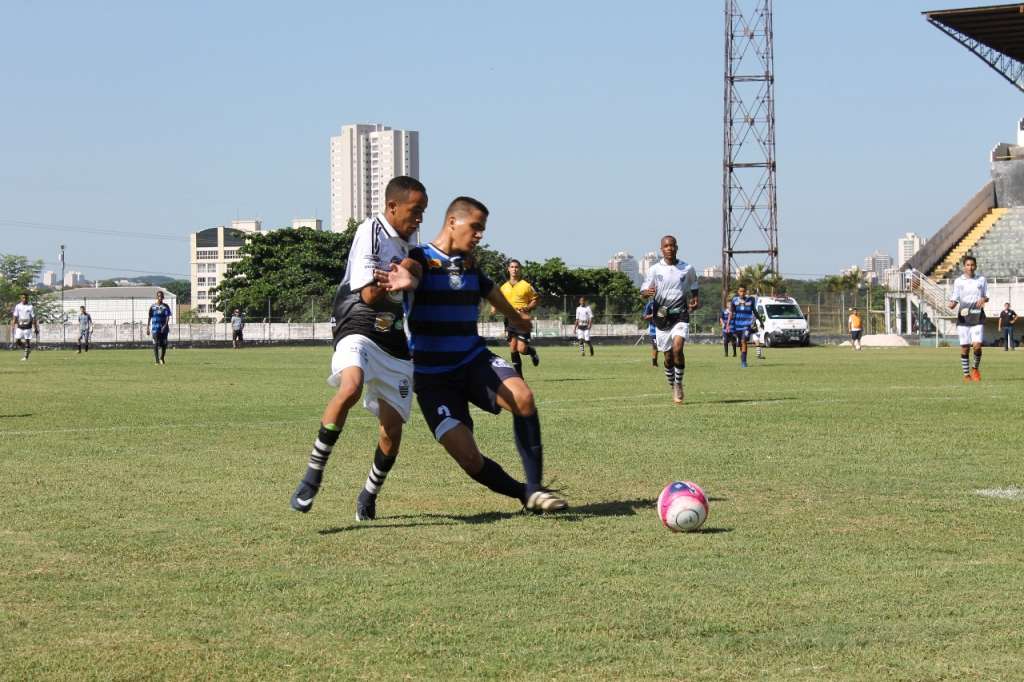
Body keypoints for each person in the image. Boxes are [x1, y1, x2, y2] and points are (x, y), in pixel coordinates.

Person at [376, 196, 567, 513]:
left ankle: (535, 487)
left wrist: (515, 317)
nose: (479, 234)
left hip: (473, 360)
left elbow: (490, 290)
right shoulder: (421, 258)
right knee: (469, 458)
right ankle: (525, 494)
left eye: (483, 229)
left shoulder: (469, 263)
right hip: (432, 377)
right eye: (475, 227)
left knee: (523, 399)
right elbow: (410, 270)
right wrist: (406, 277)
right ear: (452, 222)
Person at [289, 176, 427, 521]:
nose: (420, 219)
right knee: (350, 386)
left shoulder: (411, 242)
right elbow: (367, 294)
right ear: (392, 207)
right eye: (415, 211)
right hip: (358, 323)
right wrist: (401, 278)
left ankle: (369, 493)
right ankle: (312, 475)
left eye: (424, 211)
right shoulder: (371, 231)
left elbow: (416, 273)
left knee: (391, 432)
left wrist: (410, 272)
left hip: (394, 337)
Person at [640, 235, 700, 404]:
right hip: (661, 316)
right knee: (667, 357)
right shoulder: (654, 270)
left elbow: (694, 284)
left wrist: (695, 298)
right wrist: (646, 293)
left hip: (680, 314)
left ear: (676, 247)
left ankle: (679, 384)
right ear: (661, 249)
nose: (669, 248)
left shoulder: (687, 268)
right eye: (666, 246)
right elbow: (643, 290)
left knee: (678, 347)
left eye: (672, 245)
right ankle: (672, 384)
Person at [495, 259, 540, 376]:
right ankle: (519, 377)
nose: (514, 269)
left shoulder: (526, 285)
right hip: (509, 320)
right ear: (508, 269)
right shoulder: (504, 287)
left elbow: (535, 299)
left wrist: (527, 308)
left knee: (521, 349)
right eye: (512, 267)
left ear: (520, 269)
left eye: (517, 267)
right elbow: (498, 300)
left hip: (522, 319)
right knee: (513, 348)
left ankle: (532, 352)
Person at [948, 255, 988, 382]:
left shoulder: (981, 280)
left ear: (975, 266)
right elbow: (955, 297)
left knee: (977, 346)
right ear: (963, 267)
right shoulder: (958, 281)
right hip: (964, 318)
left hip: (977, 316)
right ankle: (966, 375)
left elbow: (986, 296)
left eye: (972, 265)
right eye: (967, 265)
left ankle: (975, 369)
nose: (970, 267)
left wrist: (984, 298)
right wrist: (952, 303)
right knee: (965, 347)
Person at [725, 285, 756, 367]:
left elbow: (755, 311)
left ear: (745, 292)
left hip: (747, 325)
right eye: (740, 291)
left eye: (744, 291)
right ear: (738, 292)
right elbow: (731, 313)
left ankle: (744, 362)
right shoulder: (734, 301)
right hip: (737, 325)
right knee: (740, 344)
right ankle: (743, 356)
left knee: (744, 341)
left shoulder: (750, 300)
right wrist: (727, 325)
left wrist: (760, 321)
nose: (742, 293)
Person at [11, 292, 39, 361]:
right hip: (20, 326)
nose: (24, 299)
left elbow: (33, 318)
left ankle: (26, 357)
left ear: (27, 298)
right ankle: (26, 349)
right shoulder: (18, 306)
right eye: (23, 297)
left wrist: (35, 328)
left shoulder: (30, 306)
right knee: (17, 341)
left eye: (26, 298)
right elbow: (15, 316)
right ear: (21, 298)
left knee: (27, 341)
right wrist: (13, 325)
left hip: (28, 327)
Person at [146, 290, 172, 365]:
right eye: (159, 296)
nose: (160, 297)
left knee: (164, 343)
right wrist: (147, 327)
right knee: (155, 343)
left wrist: (165, 325)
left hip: (164, 327)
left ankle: (162, 358)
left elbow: (167, 317)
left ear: (163, 297)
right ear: (157, 297)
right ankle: (157, 361)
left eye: (161, 296)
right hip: (155, 327)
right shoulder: (152, 307)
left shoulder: (166, 306)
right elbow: (149, 317)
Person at [643, 299, 658, 366]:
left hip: (665, 329)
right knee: (655, 346)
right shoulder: (650, 304)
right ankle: (654, 363)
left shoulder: (665, 302)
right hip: (654, 330)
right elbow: (645, 317)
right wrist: (654, 314)